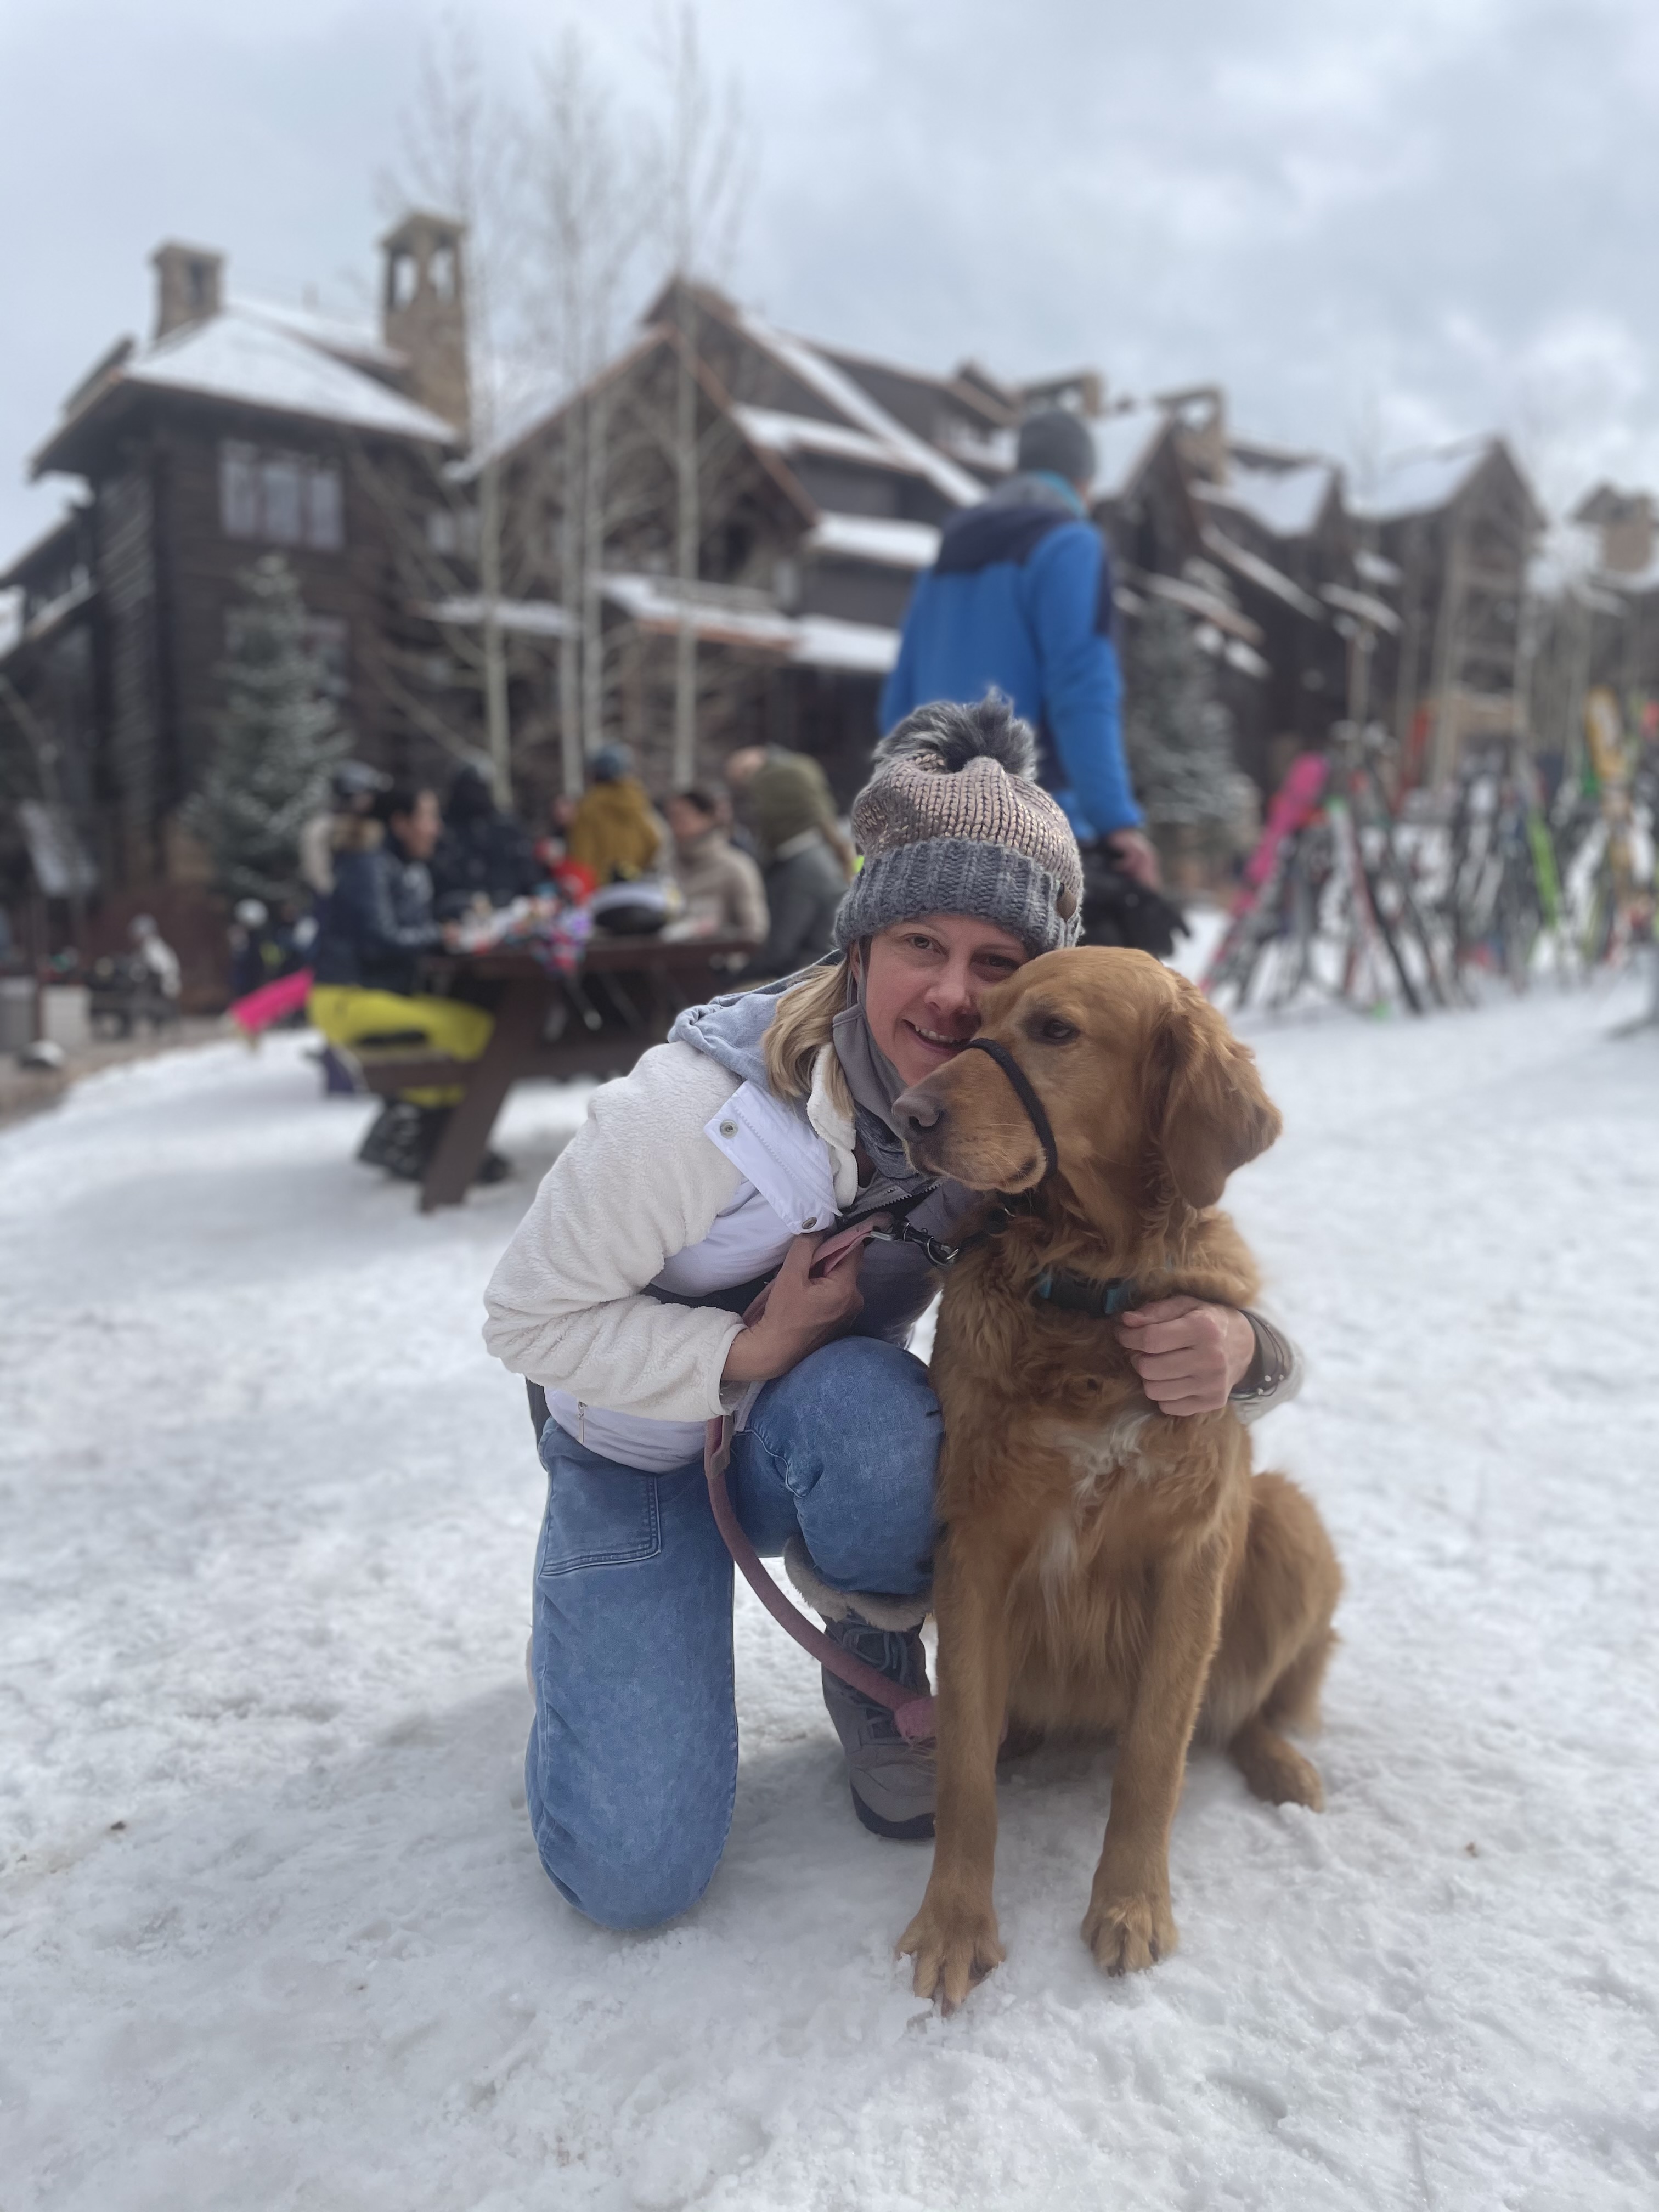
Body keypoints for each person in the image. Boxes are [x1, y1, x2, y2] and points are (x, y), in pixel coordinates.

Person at [482, 695, 1300, 1931]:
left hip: (809, 1438)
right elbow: (524, 1322)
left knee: (885, 1426)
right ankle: (593, 1646)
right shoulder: (687, 1112)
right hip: (634, 1452)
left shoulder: (985, 1133)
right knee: (632, 1878)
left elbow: (1162, 1248)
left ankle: (868, 1656)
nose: (954, 995)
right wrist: (748, 1345)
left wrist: (1246, 1350)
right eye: (921, 941)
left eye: (999, 965)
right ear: (859, 946)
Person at [881, 408, 1161, 889]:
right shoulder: (1071, 546)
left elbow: (898, 706)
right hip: (1033, 829)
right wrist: (1115, 821)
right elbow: (1082, 691)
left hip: (935, 831)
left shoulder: (944, 562)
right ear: (1083, 481)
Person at [308, 784, 504, 1183]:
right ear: (400, 823)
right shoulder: (367, 864)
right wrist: (442, 936)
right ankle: (426, 1141)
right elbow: (379, 938)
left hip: (374, 994)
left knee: (480, 1027)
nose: (436, 827)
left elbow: (408, 921)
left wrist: (453, 913)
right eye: (428, 817)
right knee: (460, 1033)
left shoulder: (398, 865)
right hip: (346, 998)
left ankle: (439, 1140)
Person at [725, 747, 849, 978]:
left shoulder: (804, 867)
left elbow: (779, 953)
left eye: (756, 802)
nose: (752, 813)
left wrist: (730, 979)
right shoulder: (804, 856)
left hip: (805, 983)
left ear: (780, 808)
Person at [430, 761, 539, 921]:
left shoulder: (506, 826)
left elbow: (527, 873)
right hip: (458, 918)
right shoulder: (443, 829)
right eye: (468, 787)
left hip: (512, 913)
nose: (473, 794)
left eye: (478, 787)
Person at [666, 786, 770, 942]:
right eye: (671, 817)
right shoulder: (665, 867)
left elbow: (755, 929)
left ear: (707, 817)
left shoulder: (736, 867)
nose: (675, 825)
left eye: (682, 817)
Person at [565, 746, 665, 883]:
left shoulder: (589, 806)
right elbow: (653, 841)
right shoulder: (638, 800)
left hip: (601, 886)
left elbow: (582, 853)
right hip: (636, 882)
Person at [297, 761, 389, 901]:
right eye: (365, 794)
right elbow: (319, 877)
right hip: (337, 903)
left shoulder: (371, 826)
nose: (369, 800)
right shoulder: (323, 827)